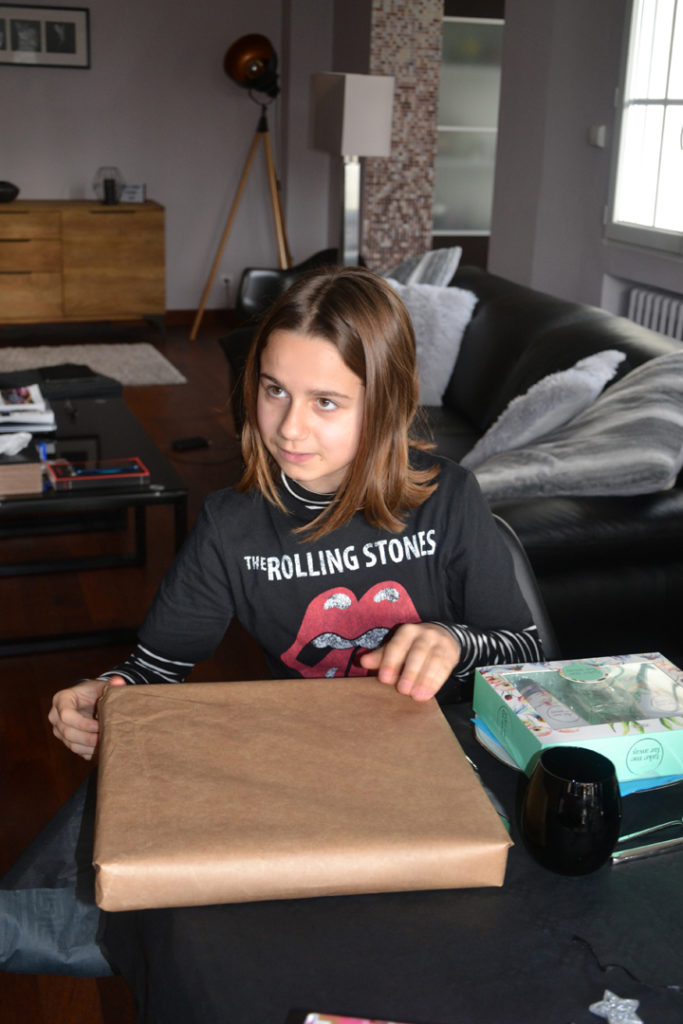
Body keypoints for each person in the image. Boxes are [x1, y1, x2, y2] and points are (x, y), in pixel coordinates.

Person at [49, 264, 542, 759]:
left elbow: (527, 651)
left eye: (325, 401)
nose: (289, 428)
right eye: (275, 390)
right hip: (309, 753)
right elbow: (155, 668)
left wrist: (454, 642)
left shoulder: (450, 497)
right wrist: (103, 696)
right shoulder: (229, 525)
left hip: (445, 749)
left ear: (386, 405)